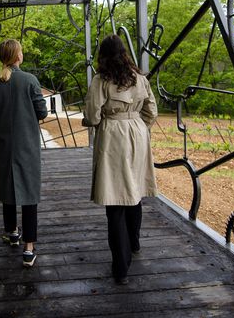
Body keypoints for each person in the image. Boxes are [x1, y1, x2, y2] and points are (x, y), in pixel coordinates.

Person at [82, 35, 158, 285]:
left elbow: (93, 115)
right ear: (124, 53)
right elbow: (152, 111)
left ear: (103, 55)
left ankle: (121, 267)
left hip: (113, 135)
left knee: (115, 199)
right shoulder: (140, 79)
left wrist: (105, 122)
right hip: (137, 133)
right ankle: (134, 244)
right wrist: (136, 124)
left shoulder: (101, 80)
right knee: (134, 191)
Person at [0, 39, 48, 267]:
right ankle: (29, 249)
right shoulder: (30, 80)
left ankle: (12, 233)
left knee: (7, 186)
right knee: (29, 194)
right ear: (17, 56)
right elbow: (42, 112)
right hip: (26, 145)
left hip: (2, 145)